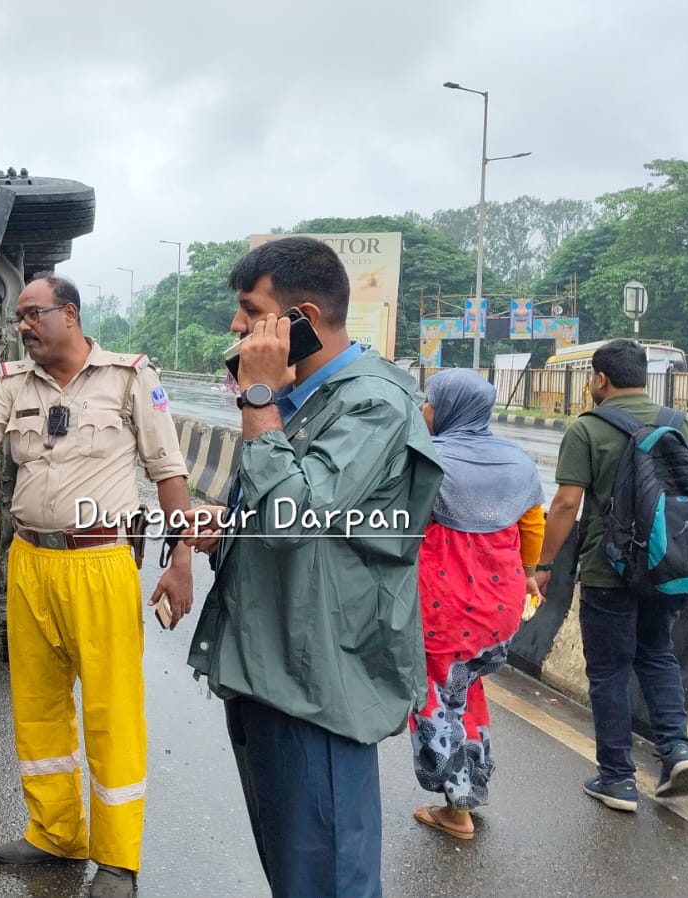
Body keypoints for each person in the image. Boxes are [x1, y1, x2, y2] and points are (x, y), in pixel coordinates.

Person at [0, 273, 195, 898]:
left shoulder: (130, 377)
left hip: (99, 562)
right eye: (18, 317)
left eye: (30, 313)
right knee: (39, 707)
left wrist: (179, 559)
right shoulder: (13, 382)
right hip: (31, 561)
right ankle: (55, 832)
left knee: (111, 711)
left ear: (68, 314)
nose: (21, 325)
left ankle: (119, 857)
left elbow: (168, 469)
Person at [186, 237, 442, 898]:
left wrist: (259, 397)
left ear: (299, 316)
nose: (237, 327)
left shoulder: (374, 403)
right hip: (271, 668)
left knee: (327, 877)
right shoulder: (306, 399)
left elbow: (296, 516)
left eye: (250, 311)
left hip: (320, 680)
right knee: (293, 871)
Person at [535, 338, 688, 810]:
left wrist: (545, 564)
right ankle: (676, 749)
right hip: (667, 567)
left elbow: (567, 504)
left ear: (599, 378)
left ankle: (617, 778)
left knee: (609, 670)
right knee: (656, 655)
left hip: (607, 570)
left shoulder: (588, 428)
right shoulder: (680, 423)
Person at [409, 368, 545, 839]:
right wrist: (529, 574)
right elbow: (533, 529)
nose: (425, 410)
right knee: (466, 691)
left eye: (430, 402)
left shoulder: (429, 459)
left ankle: (458, 806)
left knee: (433, 699)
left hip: (444, 605)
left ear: (448, 408)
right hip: (500, 604)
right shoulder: (518, 462)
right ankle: (473, 785)